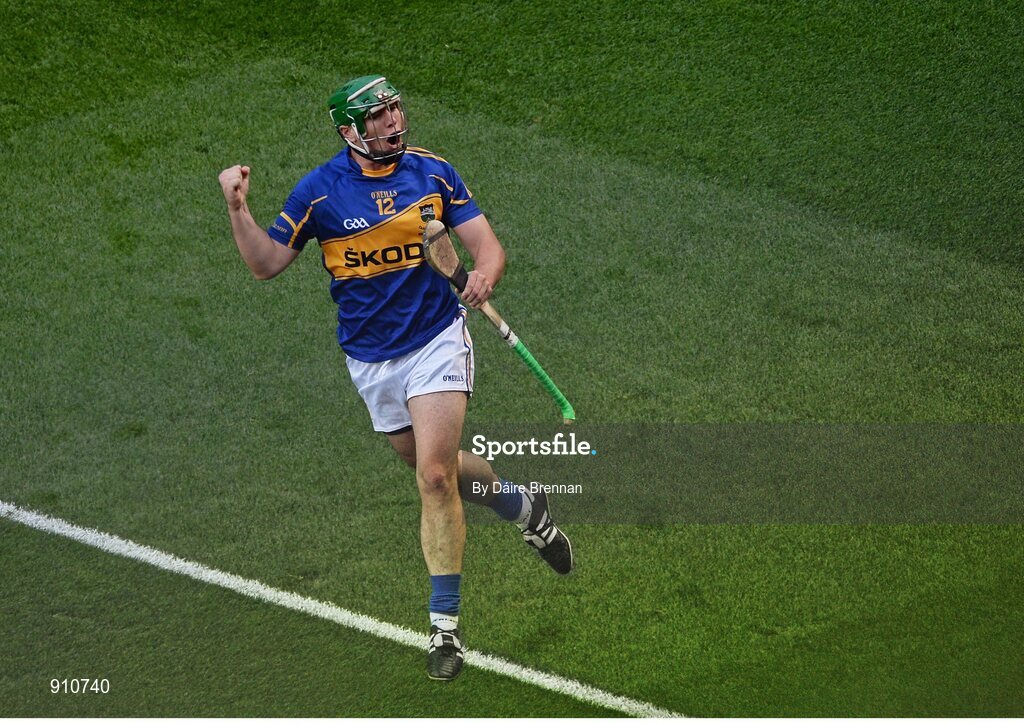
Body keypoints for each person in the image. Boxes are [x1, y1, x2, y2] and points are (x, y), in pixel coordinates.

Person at [217, 75, 573, 681]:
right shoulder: (320, 193)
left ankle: (446, 633)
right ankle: (524, 507)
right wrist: (238, 208)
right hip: (370, 358)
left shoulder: (433, 173)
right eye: (378, 116)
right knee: (434, 467)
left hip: (436, 339)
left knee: (435, 477)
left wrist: (483, 276)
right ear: (349, 131)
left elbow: (486, 247)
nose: (392, 122)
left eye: (394, 110)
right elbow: (265, 264)